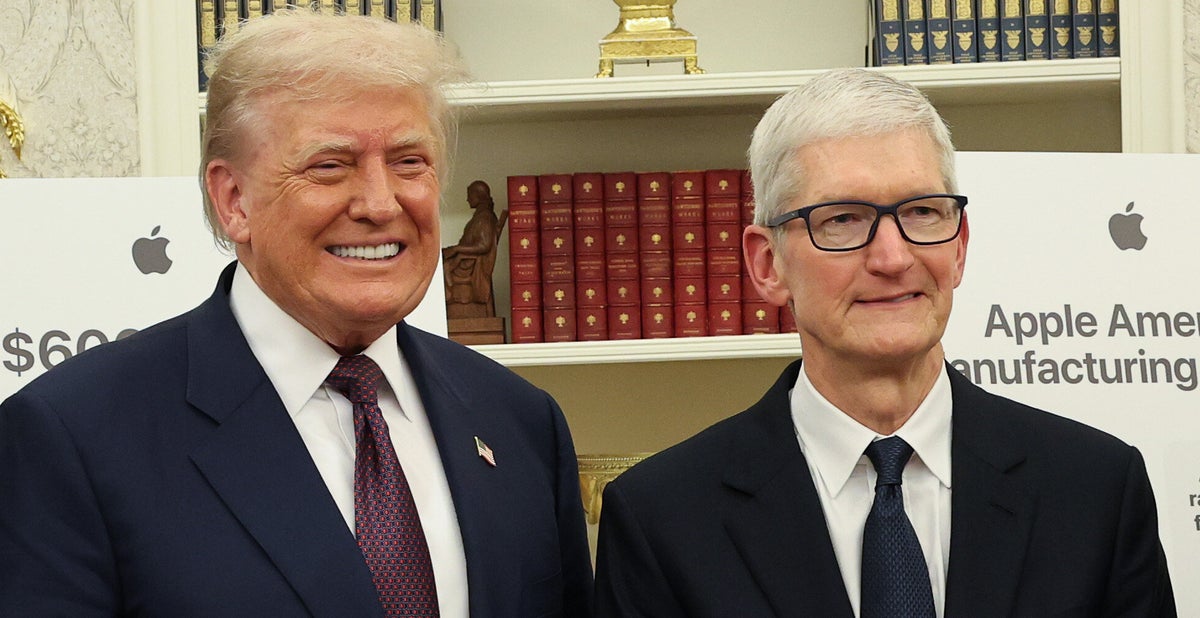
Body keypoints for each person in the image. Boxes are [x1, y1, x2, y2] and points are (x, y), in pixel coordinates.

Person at [0, 9, 592, 617]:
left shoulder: (520, 422)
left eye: (409, 161)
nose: (379, 203)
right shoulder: (73, 437)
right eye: (329, 165)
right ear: (234, 200)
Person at [593, 68, 1175, 617]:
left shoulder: (1097, 490)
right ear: (767, 264)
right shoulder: (660, 519)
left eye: (922, 212)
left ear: (960, 248)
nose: (893, 258)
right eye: (842, 219)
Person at [443, 180, 506, 319]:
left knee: (441, 267)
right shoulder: (480, 215)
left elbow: (484, 246)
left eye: (470, 195)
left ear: (478, 195)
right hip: (465, 259)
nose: (467, 199)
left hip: (471, 264)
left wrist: (457, 249)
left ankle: (448, 295)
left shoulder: (485, 217)